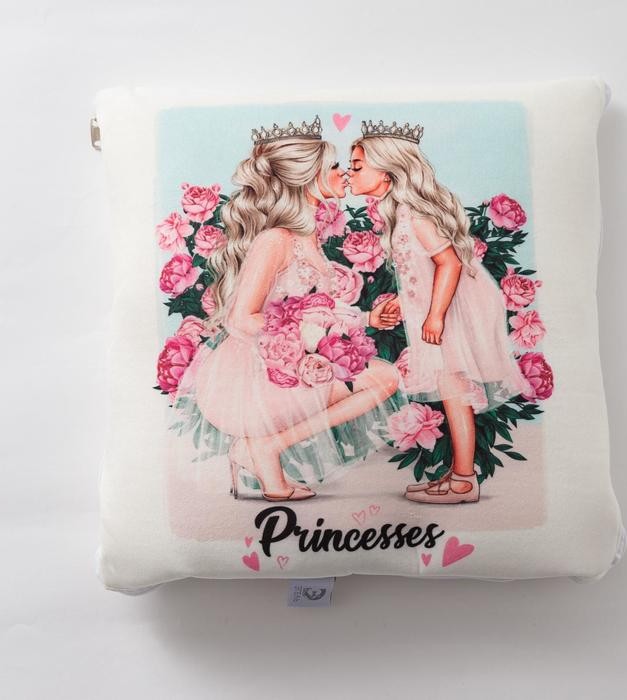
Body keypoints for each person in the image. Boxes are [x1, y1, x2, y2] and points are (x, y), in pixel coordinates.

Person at [177, 116, 404, 502]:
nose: (343, 174)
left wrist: (367, 318)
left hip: (295, 358)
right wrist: (301, 341)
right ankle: (265, 452)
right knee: (383, 378)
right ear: (307, 177)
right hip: (259, 367)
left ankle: (267, 455)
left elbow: (315, 308)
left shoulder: (307, 236)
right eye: (334, 166)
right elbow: (240, 318)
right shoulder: (275, 240)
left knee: (384, 378)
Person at [347, 120, 532, 504]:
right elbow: (421, 271)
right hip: (440, 304)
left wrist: (434, 315)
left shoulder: (415, 215)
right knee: (452, 389)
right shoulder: (400, 214)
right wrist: (406, 301)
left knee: (454, 387)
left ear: (387, 171)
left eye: (358, 165)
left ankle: (464, 479)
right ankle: (459, 474)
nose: (350, 173)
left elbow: (448, 263)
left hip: (454, 309)